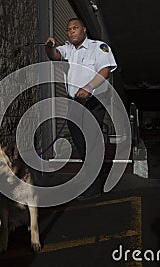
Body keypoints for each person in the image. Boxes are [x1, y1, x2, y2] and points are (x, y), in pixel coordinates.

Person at [45, 18, 117, 200]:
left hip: (93, 103)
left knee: (91, 143)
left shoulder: (98, 47)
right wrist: (49, 46)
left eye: (75, 28)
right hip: (74, 103)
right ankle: (92, 177)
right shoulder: (67, 49)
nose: (72, 32)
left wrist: (89, 87)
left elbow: (105, 70)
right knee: (82, 144)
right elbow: (54, 55)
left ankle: (93, 187)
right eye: (68, 29)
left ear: (84, 29)